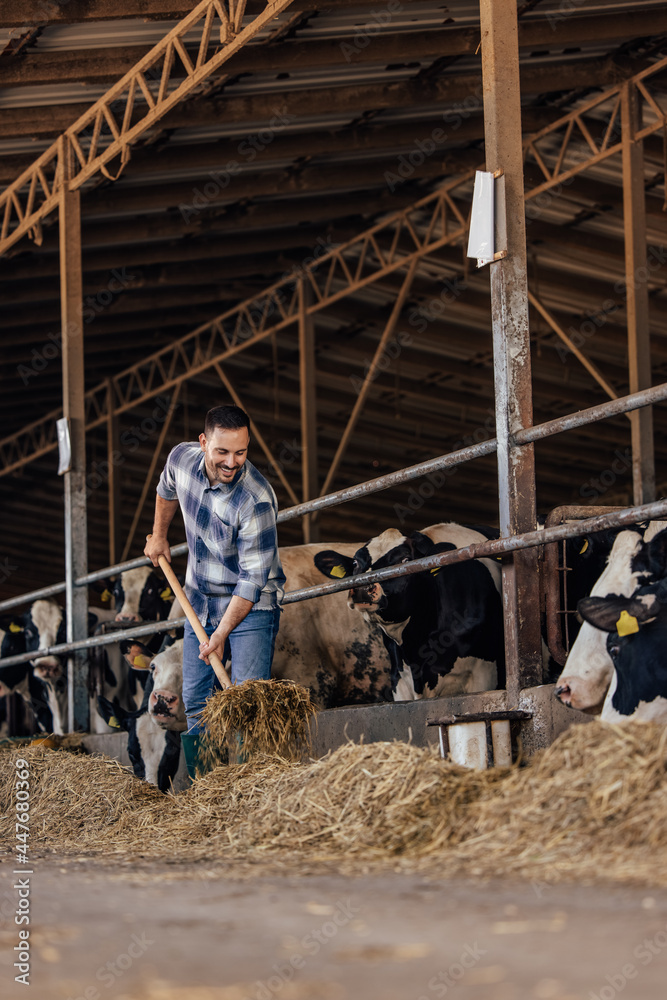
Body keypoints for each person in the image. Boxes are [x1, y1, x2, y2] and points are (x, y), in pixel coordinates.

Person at [144, 404, 285, 762]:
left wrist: (220, 635)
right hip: (200, 600)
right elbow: (166, 489)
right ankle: (204, 797)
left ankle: (249, 789)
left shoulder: (256, 499)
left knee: (246, 702)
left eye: (241, 452)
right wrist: (159, 535)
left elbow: (253, 580)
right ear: (203, 442)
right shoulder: (180, 459)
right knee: (195, 701)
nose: (232, 462)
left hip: (251, 606)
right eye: (222, 451)